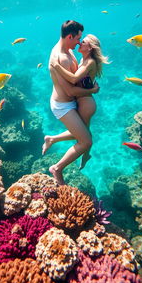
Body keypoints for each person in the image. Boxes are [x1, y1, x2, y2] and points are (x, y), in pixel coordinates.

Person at [44, 20, 99, 185]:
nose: (79, 42)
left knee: (84, 134)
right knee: (86, 141)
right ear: (69, 36)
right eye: (78, 38)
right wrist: (91, 91)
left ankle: (51, 139)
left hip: (72, 103)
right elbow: (70, 91)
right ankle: (57, 168)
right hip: (63, 106)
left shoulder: (67, 49)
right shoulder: (62, 58)